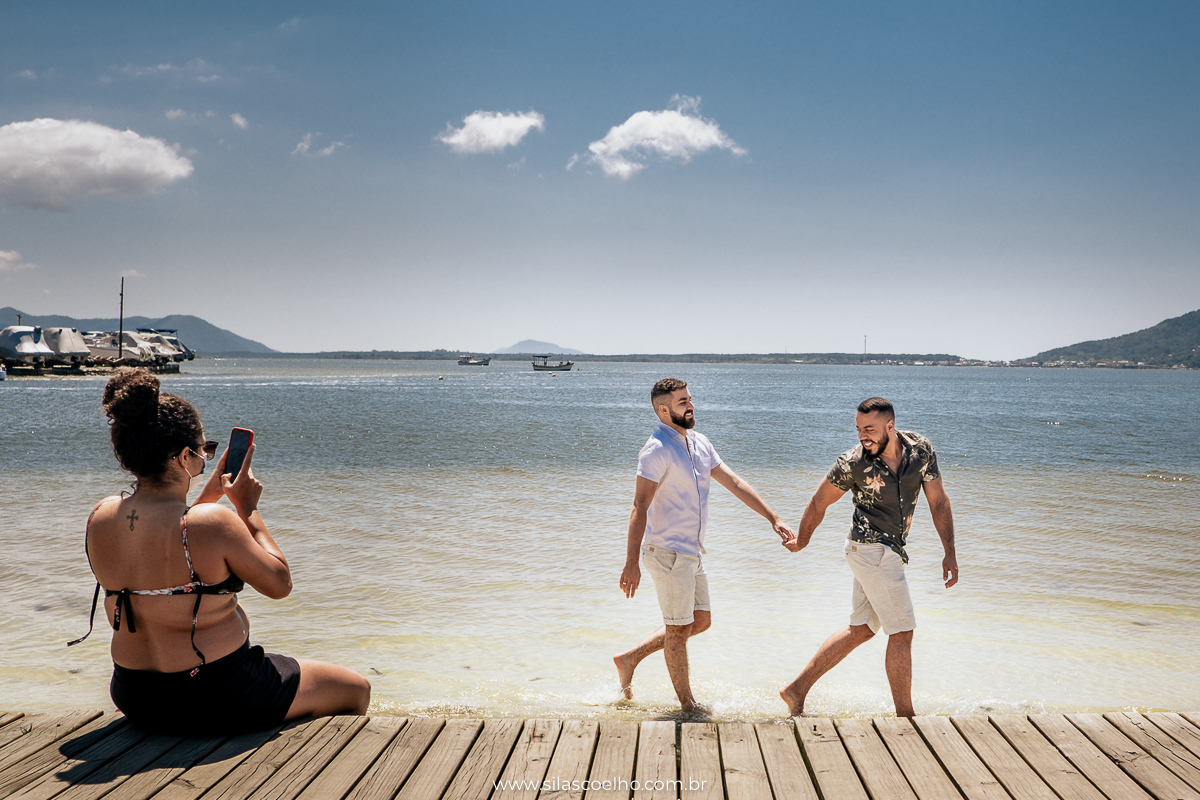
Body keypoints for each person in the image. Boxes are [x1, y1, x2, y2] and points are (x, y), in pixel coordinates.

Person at [69, 368, 370, 734]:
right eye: (203, 451)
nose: (205, 457)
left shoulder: (101, 516)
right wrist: (247, 508)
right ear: (183, 457)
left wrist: (208, 497)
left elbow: (169, 538)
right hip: (220, 694)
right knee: (357, 688)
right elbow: (279, 584)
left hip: (136, 696)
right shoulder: (212, 523)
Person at [615, 378, 793, 713]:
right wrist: (630, 562)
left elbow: (734, 482)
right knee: (677, 630)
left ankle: (630, 658)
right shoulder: (656, 450)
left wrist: (773, 517)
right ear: (664, 409)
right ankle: (688, 706)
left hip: (691, 551)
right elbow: (639, 506)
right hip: (665, 551)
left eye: (690, 399)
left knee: (700, 620)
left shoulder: (699, 443)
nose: (691, 405)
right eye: (682, 401)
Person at [779, 397, 957, 718]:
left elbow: (939, 502)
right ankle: (906, 717)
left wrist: (949, 552)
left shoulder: (921, 451)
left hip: (885, 552)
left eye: (870, 429)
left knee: (861, 629)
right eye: (859, 429)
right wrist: (802, 541)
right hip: (870, 550)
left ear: (891, 426)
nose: (864, 436)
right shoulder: (853, 463)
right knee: (901, 632)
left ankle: (796, 690)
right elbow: (819, 502)